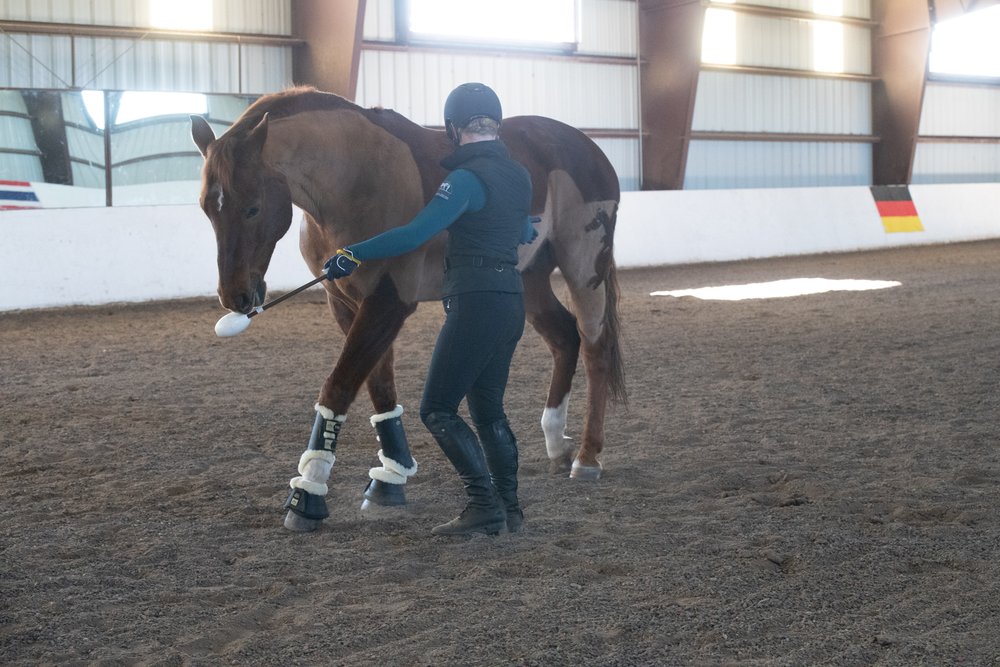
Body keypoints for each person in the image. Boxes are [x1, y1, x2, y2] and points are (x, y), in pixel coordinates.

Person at [323, 82, 537, 536]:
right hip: (510, 302)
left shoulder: (462, 181)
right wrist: (516, 226)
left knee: (437, 409)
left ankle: (483, 503)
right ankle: (510, 508)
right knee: (489, 412)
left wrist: (352, 252)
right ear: (494, 125)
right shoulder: (519, 175)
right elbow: (520, 225)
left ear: (453, 129)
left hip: (476, 302)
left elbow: (413, 235)